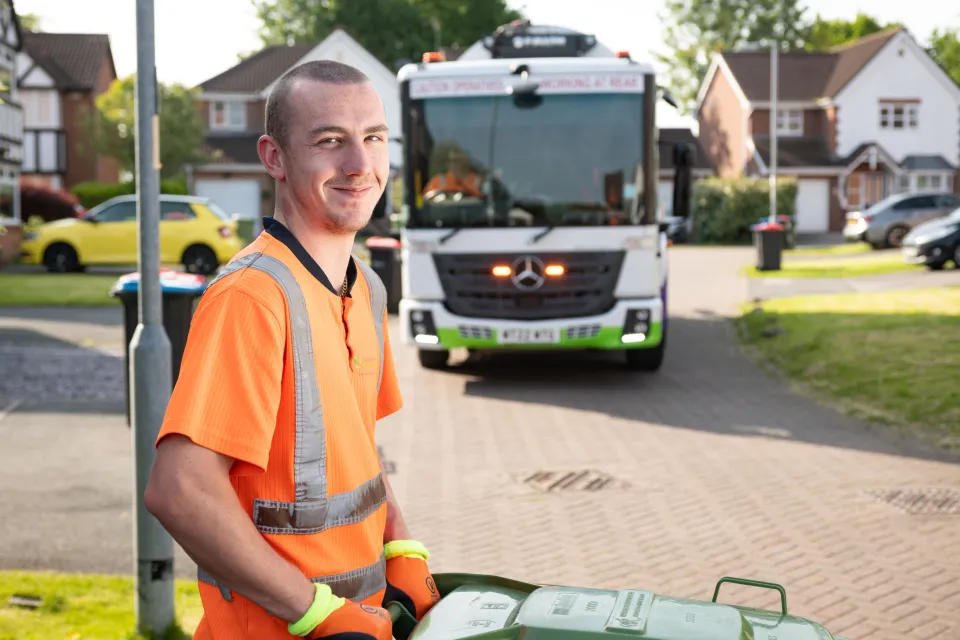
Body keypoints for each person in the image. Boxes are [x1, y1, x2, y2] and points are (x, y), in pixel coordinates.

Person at [144, 60, 439, 639]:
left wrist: (399, 542)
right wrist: (315, 611)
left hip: (361, 623)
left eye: (373, 138)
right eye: (330, 141)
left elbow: (356, 447)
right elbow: (179, 490)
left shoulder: (366, 286)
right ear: (274, 157)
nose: (359, 164)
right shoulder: (251, 297)